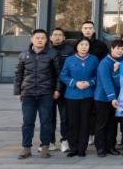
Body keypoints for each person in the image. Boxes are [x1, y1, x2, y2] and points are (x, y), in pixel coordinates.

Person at [14, 29, 61, 159]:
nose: (40, 40)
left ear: (46, 40)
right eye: (37, 38)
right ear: (32, 39)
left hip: (46, 93)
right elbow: (18, 74)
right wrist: (18, 91)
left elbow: (58, 74)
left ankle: (45, 147)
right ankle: (26, 148)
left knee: (46, 121)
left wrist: (57, 89)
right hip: (28, 93)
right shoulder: (23, 55)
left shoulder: (52, 54)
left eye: (42, 38)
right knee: (27, 121)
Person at [60, 38, 99, 157]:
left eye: (86, 44)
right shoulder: (69, 59)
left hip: (88, 94)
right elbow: (63, 75)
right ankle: (73, 148)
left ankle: (82, 148)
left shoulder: (94, 59)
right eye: (81, 44)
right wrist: (74, 83)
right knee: (73, 122)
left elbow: (98, 75)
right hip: (72, 95)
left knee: (85, 122)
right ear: (77, 46)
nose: (84, 47)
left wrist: (90, 83)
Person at [94, 40, 123, 157]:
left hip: (116, 98)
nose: (120, 51)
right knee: (102, 124)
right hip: (103, 98)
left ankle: (110, 146)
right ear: (112, 48)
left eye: (122, 49)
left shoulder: (121, 62)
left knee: (113, 124)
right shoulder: (105, 62)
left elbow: (119, 82)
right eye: (117, 48)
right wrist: (112, 98)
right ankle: (100, 148)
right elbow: (105, 82)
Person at [48, 27, 75, 153]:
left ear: (64, 38)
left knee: (65, 117)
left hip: (65, 89)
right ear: (50, 37)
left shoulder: (70, 50)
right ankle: (50, 141)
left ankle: (65, 140)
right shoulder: (46, 50)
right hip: (49, 88)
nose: (57, 37)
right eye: (55, 34)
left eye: (60, 35)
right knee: (49, 117)